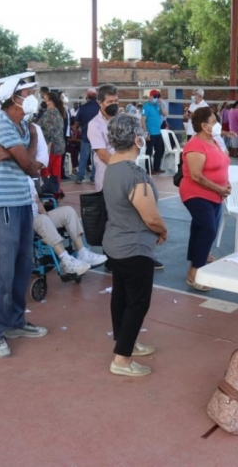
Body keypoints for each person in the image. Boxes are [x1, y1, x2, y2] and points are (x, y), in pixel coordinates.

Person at [0, 73, 48, 358]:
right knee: (3, 270)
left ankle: (16, 321)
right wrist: (22, 156)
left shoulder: (23, 126)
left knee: (22, 266)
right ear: (14, 97)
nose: (35, 95)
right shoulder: (0, 123)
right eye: (30, 91)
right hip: (2, 205)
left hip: (21, 202)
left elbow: (31, 161)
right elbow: (32, 167)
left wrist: (23, 146)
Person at [102, 114, 166, 377]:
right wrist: (162, 230)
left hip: (115, 243)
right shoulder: (134, 174)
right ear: (137, 139)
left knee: (121, 296)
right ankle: (122, 359)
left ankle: (124, 341)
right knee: (138, 302)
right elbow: (150, 216)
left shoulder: (112, 168)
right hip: (134, 247)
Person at [180, 107, 231, 291]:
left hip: (215, 194)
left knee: (202, 227)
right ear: (204, 125)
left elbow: (222, 164)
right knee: (208, 229)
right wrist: (220, 188)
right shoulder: (195, 145)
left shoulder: (214, 141)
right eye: (214, 121)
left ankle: (199, 255)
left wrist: (227, 184)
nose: (217, 125)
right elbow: (196, 175)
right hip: (196, 193)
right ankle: (194, 272)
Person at [28, 177, 106, 275]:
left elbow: (38, 202)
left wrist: (46, 214)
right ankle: (66, 260)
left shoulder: (28, 179)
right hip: (26, 220)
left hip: (38, 216)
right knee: (43, 220)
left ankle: (82, 253)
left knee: (68, 211)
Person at [87, 84, 119, 192]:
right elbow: (103, 155)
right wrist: (122, 169)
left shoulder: (123, 120)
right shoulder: (94, 124)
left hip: (126, 174)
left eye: (116, 101)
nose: (114, 104)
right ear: (100, 102)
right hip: (108, 174)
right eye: (110, 102)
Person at [38, 91, 66, 198]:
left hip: (50, 147)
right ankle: (56, 190)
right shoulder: (57, 112)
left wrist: (48, 146)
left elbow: (50, 131)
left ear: (49, 101)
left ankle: (51, 192)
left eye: (45, 98)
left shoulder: (49, 113)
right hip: (57, 146)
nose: (43, 100)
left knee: (48, 172)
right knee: (55, 171)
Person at [74, 88, 99, 184]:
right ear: (96, 96)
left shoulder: (82, 108)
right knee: (96, 159)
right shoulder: (100, 107)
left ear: (87, 97)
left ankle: (80, 177)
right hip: (97, 137)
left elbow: (77, 123)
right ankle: (93, 178)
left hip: (85, 136)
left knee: (83, 158)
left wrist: (77, 128)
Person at [141, 89, 168, 174]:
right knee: (149, 151)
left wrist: (161, 105)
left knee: (159, 150)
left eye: (157, 97)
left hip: (157, 132)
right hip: (150, 132)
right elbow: (142, 120)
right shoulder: (146, 106)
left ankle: (157, 167)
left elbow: (164, 114)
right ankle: (149, 169)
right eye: (155, 96)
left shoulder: (157, 106)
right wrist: (146, 133)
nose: (156, 98)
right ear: (150, 97)